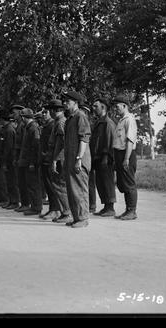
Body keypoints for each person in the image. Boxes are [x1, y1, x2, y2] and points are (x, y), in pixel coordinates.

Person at [62, 91, 92, 228]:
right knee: (72, 189)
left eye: (68, 101)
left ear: (75, 103)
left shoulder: (81, 116)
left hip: (79, 159)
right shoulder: (70, 118)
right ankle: (76, 217)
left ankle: (83, 218)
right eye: (65, 101)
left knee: (79, 189)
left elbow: (84, 139)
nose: (64, 103)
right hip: (70, 159)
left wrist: (79, 158)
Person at [111, 95, 138, 220]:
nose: (115, 109)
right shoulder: (121, 120)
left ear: (124, 106)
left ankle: (132, 211)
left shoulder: (129, 120)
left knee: (129, 183)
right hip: (120, 154)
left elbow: (130, 141)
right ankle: (128, 210)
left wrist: (126, 158)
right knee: (124, 184)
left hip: (126, 154)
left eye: (117, 106)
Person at [90, 98, 117, 217]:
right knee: (100, 182)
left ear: (103, 108)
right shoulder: (98, 122)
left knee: (107, 182)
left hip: (105, 158)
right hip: (97, 157)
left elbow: (110, 141)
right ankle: (106, 206)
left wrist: (106, 157)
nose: (93, 108)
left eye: (96, 106)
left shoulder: (108, 123)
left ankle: (110, 208)